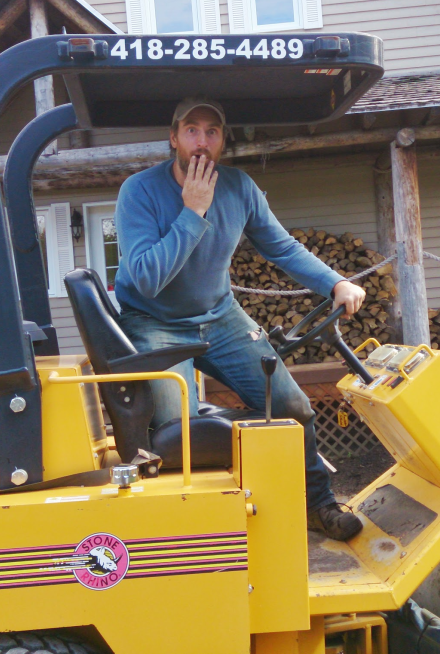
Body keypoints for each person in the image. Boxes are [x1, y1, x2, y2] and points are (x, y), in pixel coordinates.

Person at [113, 96, 366, 541]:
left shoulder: (240, 187)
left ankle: (316, 505)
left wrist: (335, 283)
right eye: (192, 130)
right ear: (173, 138)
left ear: (223, 141)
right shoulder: (139, 191)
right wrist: (193, 211)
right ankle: (191, 527)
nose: (202, 141)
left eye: (212, 132)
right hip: (154, 320)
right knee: (178, 432)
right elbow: (148, 279)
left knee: (292, 408)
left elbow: (281, 247)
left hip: (220, 315)